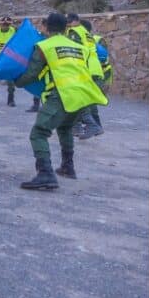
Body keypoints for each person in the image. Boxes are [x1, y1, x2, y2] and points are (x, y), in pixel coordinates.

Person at [15, 12, 107, 187]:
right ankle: (67, 167)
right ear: (66, 28)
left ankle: (45, 173)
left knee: (39, 132)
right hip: (83, 95)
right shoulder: (78, 46)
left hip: (63, 95)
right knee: (65, 128)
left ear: (47, 28)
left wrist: (17, 81)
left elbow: (32, 73)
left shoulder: (44, 46)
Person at [73, 20, 108, 139]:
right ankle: (94, 126)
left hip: (88, 72)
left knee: (81, 100)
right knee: (89, 101)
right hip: (96, 71)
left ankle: (88, 126)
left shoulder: (80, 39)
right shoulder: (93, 40)